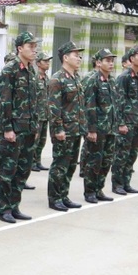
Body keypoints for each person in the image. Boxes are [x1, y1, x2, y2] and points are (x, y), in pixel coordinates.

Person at [0, 32, 40, 223]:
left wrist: (35, 126)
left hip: (28, 128)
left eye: (34, 46)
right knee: (8, 170)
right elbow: (4, 101)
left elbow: (34, 101)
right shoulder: (10, 70)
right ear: (20, 48)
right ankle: (3, 208)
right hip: (13, 129)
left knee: (23, 170)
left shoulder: (32, 70)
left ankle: (14, 205)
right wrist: (7, 129)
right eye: (30, 46)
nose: (34, 50)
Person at [47, 42, 87, 211]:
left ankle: (64, 194)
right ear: (65, 57)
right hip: (64, 131)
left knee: (70, 165)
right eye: (75, 54)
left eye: (79, 55)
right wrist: (58, 129)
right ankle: (55, 198)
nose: (78, 58)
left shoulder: (76, 78)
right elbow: (54, 107)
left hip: (76, 129)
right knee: (60, 165)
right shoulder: (57, 79)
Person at [79, 49, 123, 203]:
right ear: (98, 62)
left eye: (112, 60)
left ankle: (99, 188)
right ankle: (90, 191)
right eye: (107, 60)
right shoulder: (91, 79)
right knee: (94, 161)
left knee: (106, 161)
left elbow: (114, 105)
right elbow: (88, 106)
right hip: (97, 129)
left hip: (110, 128)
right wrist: (91, 129)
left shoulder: (111, 80)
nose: (111, 63)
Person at [112, 45, 138, 195]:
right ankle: (117, 184)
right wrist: (121, 123)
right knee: (121, 155)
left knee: (132, 154)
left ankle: (126, 182)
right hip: (126, 123)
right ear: (132, 58)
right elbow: (118, 102)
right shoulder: (124, 77)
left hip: (136, 122)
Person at [32, 51, 53, 171]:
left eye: (48, 61)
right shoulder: (34, 78)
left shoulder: (46, 78)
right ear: (38, 63)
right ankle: (31, 162)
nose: (48, 63)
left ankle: (38, 161)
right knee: (34, 140)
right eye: (45, 61)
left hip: (45, 114)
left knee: (42, 141)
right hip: (37, 115)